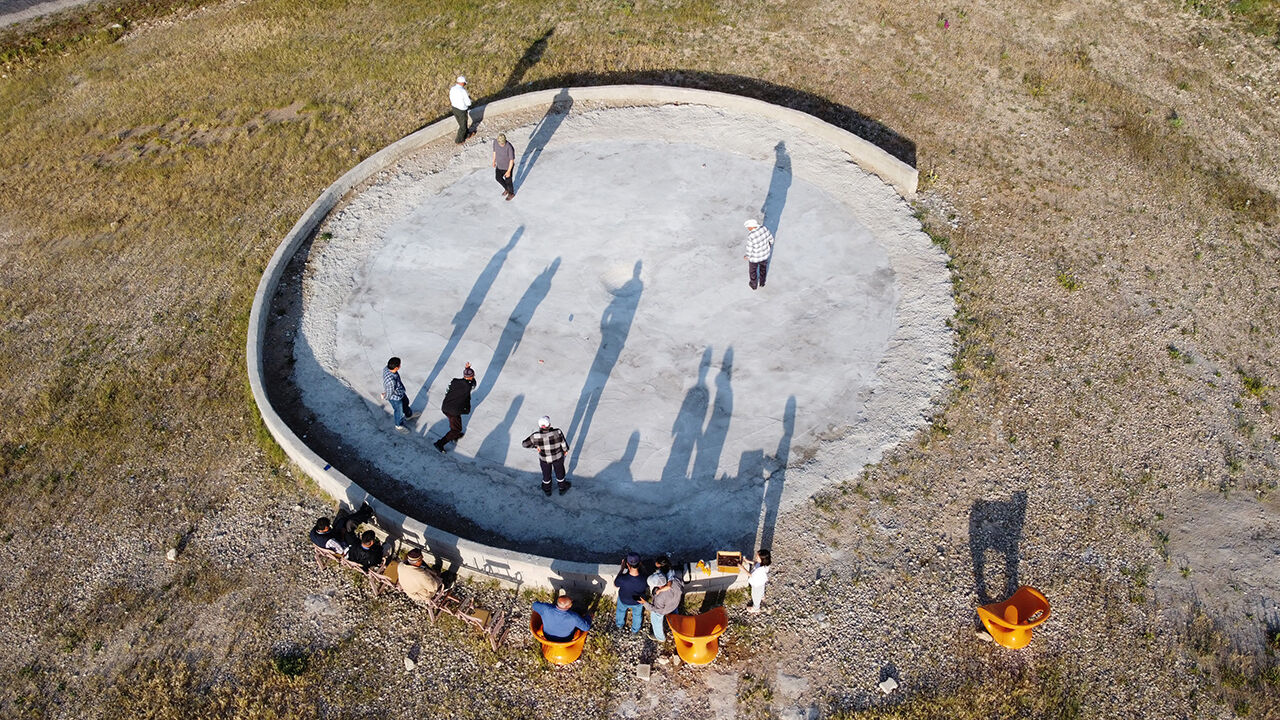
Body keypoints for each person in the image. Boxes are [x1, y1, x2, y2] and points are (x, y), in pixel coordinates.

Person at [522, 415, 570, 496]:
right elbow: (563, 443)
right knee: (560, 472)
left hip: (544, 460)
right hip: (557, 458)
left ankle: (547, 489)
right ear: (549, 425)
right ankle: (562, 487)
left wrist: (535, 446)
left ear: (540, 426)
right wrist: (565, 450)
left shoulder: (535, 436)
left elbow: (524, 444)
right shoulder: (557, 432)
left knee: (546, 474)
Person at [434, 363, 476, 453]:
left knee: (455, 422)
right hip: (453, 410)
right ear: (470, 377)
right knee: (456, 429)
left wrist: (467, 369)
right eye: (473, 375)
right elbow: (473, 383)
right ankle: (440, 443)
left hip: (445, 406)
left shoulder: (454, 381)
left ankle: (455, 436)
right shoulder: (468, 387)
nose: (474, 376)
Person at [309, 502, 374, 553]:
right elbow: (341, 551)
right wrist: (342, 535)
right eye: (328, 526)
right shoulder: (330, 541)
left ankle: (363, 512)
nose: (329, 526)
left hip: (334, 535)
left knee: (342, 520)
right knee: (349, 524)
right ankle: (366, 513)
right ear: (325, 528)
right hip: (343, 542)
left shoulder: (313, 532)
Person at [639, 572, 683, 642]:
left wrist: (644, 603)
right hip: (675, 604)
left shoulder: (659, 597)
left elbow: (657, 610)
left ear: (658, 586)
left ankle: (660, 637)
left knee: (655, 616)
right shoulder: (675, 581)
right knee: (674, 614)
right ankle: (676, 627)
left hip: (665, 609)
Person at [613, 553, 647, 634]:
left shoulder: (622, 579)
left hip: (624, 598)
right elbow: (646, 584)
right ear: (640, 563)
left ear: (627, 564)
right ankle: (635, 630)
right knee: (637, 615)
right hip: (637, 600)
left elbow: (615, 584)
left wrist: (621, 569)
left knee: (620, 611)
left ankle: (619, 625)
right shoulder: (644, 579)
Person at [381, 356, 412, 431]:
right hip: (395, 398)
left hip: (400, 392)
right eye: (399, 365)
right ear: (396, 368)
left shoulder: (387, 368)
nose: (400, 366)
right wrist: (385, 396)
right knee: (399, 411)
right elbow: (389, 393)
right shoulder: (391, 381)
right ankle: (398, 425)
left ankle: (408, 415)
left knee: (406, 402)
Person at [743, 218, 775, 290]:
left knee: (753, 271)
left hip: (754, 258)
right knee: (763, 269)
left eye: (748, 227)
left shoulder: (751, 235)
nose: (748, 228)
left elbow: (749, 248)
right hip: (765, 255)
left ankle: (753, 285)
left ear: (752, 226)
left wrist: (747, 256)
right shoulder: (764, 228)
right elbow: (771, 239)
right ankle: (762, 282)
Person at [743, 548, 771, 613]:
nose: (755, 557)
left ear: (762, 559)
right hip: (762, 581)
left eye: (757, 556)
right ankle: (762, 596)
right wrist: (748, 561)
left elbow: (750, 575)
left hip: (756, 584)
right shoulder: (765, 564)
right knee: (761, 590)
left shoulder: (759, 570)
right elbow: (756, 563)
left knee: (755, 596)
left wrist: (742, 568)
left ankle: (756, 608)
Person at [492, 133, 516, 200]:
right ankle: (507, 189)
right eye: (501, 143)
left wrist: (508, 171)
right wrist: (494, 161)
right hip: (499, 165)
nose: (502, 144)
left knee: (509, 182)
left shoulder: (509, 147)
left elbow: (512, 160)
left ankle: (511, 193)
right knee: (498, 178)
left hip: (507, 167)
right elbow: (494, 152)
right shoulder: (495, 142)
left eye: (503, 143)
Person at [450, 75, 473, 144]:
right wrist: (470, 101)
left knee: (460, 122)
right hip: (462, 110)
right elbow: (468, 103)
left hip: (454, 108)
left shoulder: (452, 89)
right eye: (465, 83)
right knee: (463, 125)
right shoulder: (463, 91)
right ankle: (459, 140)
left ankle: (467, 134)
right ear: (462, 83)